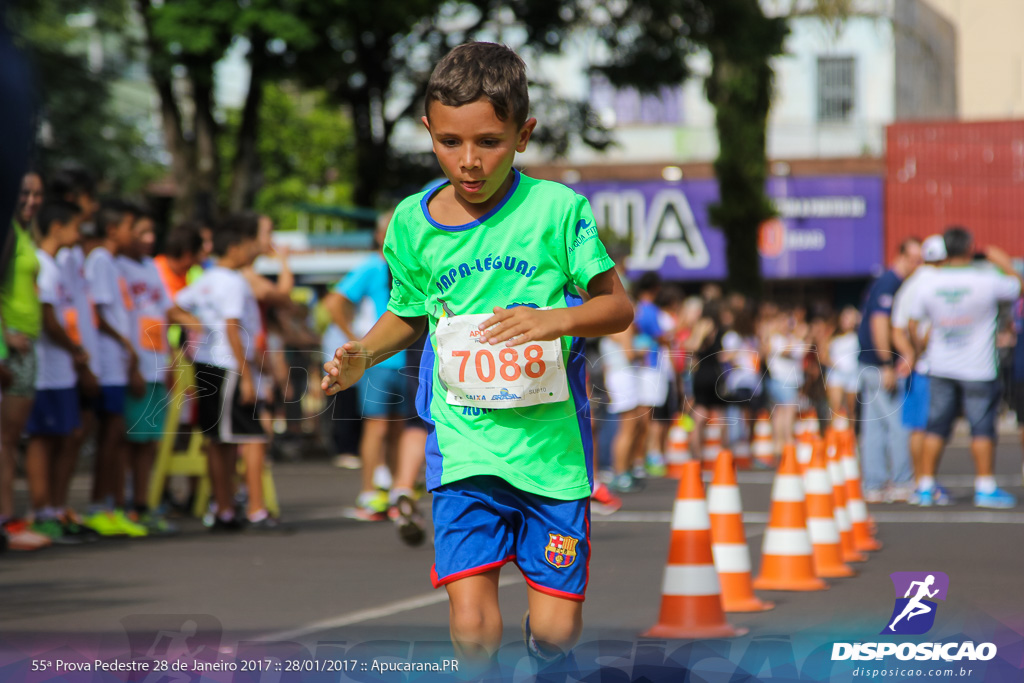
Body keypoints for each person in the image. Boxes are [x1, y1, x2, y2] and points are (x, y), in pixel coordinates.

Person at [321, 42, 631, 667]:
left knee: (555, 630)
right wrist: (364, 354)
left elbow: (616, 307)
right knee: (470, 624)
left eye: (489, 141)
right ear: (428, 132)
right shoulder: (411, 222)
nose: (469, 161)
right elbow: (409, 313)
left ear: (523, 135)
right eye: (450, 141)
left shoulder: (557, 211)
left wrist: (557, 318)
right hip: (464, 446)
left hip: (551, 455)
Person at [906, 227, 1022, 508]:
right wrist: (1002, 261)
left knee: (936, 427)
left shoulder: (928, 283)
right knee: (981, 428)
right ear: (970, 247)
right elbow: (1018, 286)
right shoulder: (985, 280)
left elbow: (913, 322)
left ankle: (925, 485)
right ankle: (984, 486)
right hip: (978, 367)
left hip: (941, 364)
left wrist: (922, 350)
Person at [175, 217, 263, 531]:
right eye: (248, 246)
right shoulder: (233, 281)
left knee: (218, 440)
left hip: (207, 362)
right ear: (236, 249)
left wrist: (193, 324)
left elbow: (176, 304)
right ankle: (231, 507)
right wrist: (247, 374)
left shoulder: (207, 277)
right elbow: (233, 327)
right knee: (236, 438)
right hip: (227, 364)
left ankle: (223, 506)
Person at [325, 209, 410, 521]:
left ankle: (398, 489)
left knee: (403, 428)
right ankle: (369, 492)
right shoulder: (373, 266)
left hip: (408, 358)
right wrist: (356, 341)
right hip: (377, 361)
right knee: (376, 426)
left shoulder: (411, 266)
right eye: (389, 230)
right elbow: (334, 302)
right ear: (378, 235)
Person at [118, 209, 198, 533]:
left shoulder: (151, 267)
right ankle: (119, 505)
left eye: (152, 232)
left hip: (156, 365)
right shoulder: (114, 266)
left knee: (150, 441)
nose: (150, 239)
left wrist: (205, 327)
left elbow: (169, 312)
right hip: (131, 366)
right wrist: (131, 364)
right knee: (127, 441)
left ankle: (143, 504)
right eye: (141, 231)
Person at [24, 201, 89, 544]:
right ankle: (41, 511)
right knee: (44, 439)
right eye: (74, 226)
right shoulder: (43, 265)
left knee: (67, 435)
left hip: (61, 370)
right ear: (57, 227)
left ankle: (56, 507)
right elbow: (48, 319)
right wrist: (75, 349)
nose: (79, 234)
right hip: (47, 369)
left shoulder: (57, 266)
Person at [82, 201, 148, 536]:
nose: (134, 233)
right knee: (109, 434)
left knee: (115, 434)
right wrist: (126, 347)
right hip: (107, 364)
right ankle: (98, 507)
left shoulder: (110, 262)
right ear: (112, 230)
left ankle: (108, 506)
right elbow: (99, 313)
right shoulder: (100, 260)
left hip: (116, 363)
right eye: (129, 226)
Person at [0, 171, 46, 549]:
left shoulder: (24, 231)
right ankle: (7, 522)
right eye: (24, 193)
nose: (31, 200)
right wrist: (4, 337)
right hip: (10, 348)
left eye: (37, 194)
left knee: (10, 440)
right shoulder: (8, 231)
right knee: (6, 440)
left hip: (25, 345)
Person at [856, 237, 922, 503]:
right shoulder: (891, 282)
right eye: (915, 259)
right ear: (902, 256)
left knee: (874, 426)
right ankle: (902, 481)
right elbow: (879, 323)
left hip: (869, 363)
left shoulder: (888, 281)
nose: (918, 265)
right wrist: (886, 364)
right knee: (898, 424)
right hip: (879, 365)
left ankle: (874, 484)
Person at [891, 234, 948, 504]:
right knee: (927, 427)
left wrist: (910, 353)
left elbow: (899, 326)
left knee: (921, 427)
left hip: (926, 366)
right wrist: (915, 352)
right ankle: (924, 483)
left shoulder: (912, 283)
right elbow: (907, 326)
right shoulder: (932, 282)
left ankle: (923, 482)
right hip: (930, 367)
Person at [825, 306, 860, 419]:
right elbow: (822, 353)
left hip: (853, 375)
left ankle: (850, 435)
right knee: (835, 408)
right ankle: (833, 434)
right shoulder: (832, 335)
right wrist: (835, 364)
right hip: (836, 375)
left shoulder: (857, 336)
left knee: (851, 409)